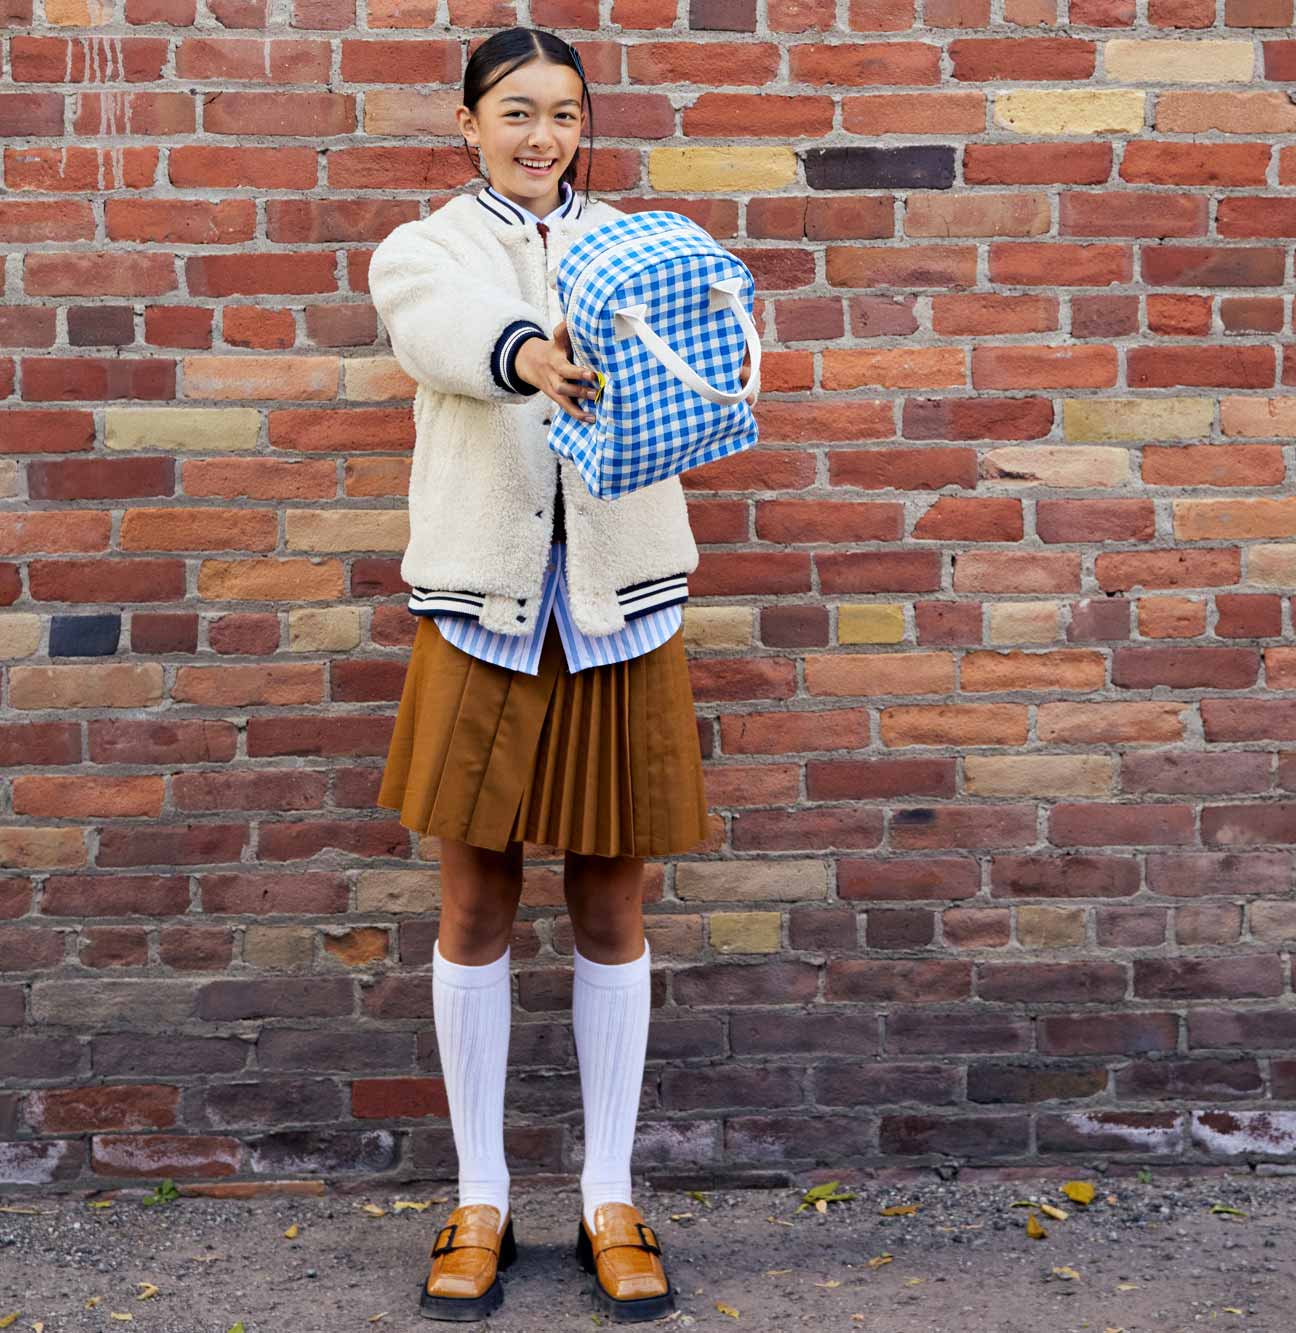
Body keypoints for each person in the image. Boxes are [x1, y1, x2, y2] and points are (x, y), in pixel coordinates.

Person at [367, 25, 711, 1326]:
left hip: (620, 610)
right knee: (474, 900)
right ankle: (479, 1195)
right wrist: (528, 354)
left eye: (563, 113)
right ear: (465, 120)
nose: (540, 135)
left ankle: (608, 1194)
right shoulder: (427, 246)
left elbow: (698, 363)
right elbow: (441, 331)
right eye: (515, 110)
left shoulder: (638, 242)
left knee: (612, 905)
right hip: (483, 614)